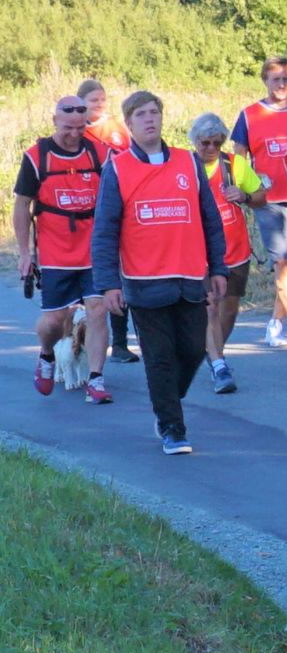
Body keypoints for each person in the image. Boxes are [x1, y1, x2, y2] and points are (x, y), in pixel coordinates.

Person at [90, 92, 225, 454]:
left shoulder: (188, 162)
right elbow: (105, 230)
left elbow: (210, 219)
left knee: (193, 350)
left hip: (190, 279)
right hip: (144, 283)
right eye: (141, 115)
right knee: (159, 357)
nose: (149, 119)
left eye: (154, 112)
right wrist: (108, 284)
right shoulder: (118, 168)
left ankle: (166, 400)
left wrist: (218, 267)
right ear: (129, 124)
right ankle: (172, 427)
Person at [14, 96, 109, 399]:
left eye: (80, 128)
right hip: (56, 252)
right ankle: (46, 354)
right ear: (55, 121)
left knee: (98, 310)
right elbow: (22, 206)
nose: (74, 134)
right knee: (54, 321)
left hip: (94, 250)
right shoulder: (37, 157)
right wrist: (25, 253)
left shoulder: (100, 153)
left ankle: (96, 379)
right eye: (68, 127)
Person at [232, 55, 287, 350]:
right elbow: (239, 158)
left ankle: (275, 324)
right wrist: (245, 191)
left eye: (286, 79)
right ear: (265, 81)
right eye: (276, 79)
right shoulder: (250, 115)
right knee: (282, 262)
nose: (281, 84)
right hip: (268, 201)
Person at [189, 113, 265, 395]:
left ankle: (213, 353)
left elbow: (261, 197)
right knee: (210, 306)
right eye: (205, 143)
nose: (211, 148)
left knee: (229, 309)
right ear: (195, 141)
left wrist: (244, 196)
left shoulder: (234, 165)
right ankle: (219, 364)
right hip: (201, 254)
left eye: (217, 143)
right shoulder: (185, 167)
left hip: (235, 251)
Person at [77, 78, 139, 364]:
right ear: (81, 103)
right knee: (88, 282)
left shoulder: (116, 128)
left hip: (117, 205)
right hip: (85, 213)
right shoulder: (77, 131)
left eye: (102, 99)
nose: (99, 104)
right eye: (93, 100)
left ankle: (120, 342)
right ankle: (77, 340)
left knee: (118, 276)